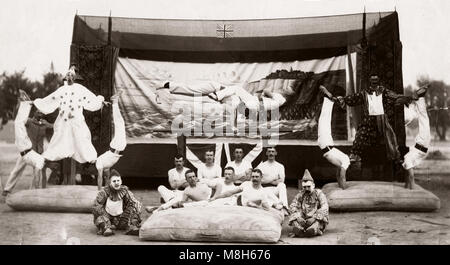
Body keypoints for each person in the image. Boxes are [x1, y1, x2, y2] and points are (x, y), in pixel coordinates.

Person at [332, 75, 420, 164]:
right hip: (368, 120)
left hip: (382, 120)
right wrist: (342, 99)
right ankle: (355, 155)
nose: (374, 82)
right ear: (370, 81)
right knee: (360, 134)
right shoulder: (365, 93)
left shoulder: (384, 92)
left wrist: (409, 98)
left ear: (378, 81)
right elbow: (354, 98)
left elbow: (396, 97)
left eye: (376, 80)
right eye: (372, 80)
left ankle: (396, 158)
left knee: (390, 137)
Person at [30, 65, 109, 164]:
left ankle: (90, 157)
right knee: (59, 138)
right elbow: (51, 99)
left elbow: (90, 98)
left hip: (76, 119)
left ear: (74, 77)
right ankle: (50, 155)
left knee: (82, 138)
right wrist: (36, 102)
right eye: (68, 75)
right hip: (63, 120)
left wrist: (100, 101)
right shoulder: (62, 90)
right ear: (66, 78)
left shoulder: (80, 89)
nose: (70, 77)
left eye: (72, 75)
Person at [3, 90, 53, 196]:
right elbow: (20, 119)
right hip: (27, 148)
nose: (40, 114)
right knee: (19, 123)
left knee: (36, 170)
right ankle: (8, 189)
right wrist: (22, 104)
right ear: (34, 113)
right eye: (38, 112)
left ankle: (32, 191)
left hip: (31, 151)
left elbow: (53, 127)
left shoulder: (44, 124)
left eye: (41, 113)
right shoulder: (30, 121)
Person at [318, 85, 350, 189]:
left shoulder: (344, 162)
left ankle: (328, 98)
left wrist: (342, 187)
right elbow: (340, 174)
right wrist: (343, 187)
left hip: (326, 144)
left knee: (324, 120)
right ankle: (328, 98)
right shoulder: (346, 161)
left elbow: (340, 174)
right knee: (325, 120)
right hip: (327, 144)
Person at [92, 170, 142, 237]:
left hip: (121, 218)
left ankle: (131, 227)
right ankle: (106, 228)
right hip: (107, 218)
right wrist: (106, 218)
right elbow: (97, 205)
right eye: (114, 181)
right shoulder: (104, 192)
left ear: (121, 181)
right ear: (110, 183)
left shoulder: (125, 191)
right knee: (100, 217)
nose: (116, 183)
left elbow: (133, 202)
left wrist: (137, 209)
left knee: (135, 206)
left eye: (118, 181)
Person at [147, 169, 223, 213]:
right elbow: (182, 204)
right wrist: (191, 202)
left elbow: (219, 185)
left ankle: (158, 208)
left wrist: (214, 197)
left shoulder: (203, 181)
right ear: (186, 180)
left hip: (211, 200)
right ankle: (159, 209)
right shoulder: (187, 190)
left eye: (193, 176)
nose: (193, 178)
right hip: (200, 204)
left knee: (176, 198)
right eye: (190, 177)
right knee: (162, 188)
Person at [95, 90, 126, 190]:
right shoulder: (105, 166)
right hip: (118, 147)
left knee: (119, 124)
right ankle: (115, 102)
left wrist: (99, 191)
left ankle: (115, 102)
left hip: (117, 146)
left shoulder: (99, 163)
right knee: (119, 124)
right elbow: (107, 177)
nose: (105, 174)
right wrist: (107, 188)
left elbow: (100, 178)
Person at [210, 168, 283, 210]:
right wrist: (216, 197)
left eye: (257, 177)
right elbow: (230, 192)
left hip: (247, 207)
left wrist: (257, 206)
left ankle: (276, 204)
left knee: (265, 200)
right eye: (253, 176)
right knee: (212, 205)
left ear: (261, 178)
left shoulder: (262, 192)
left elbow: (266, 208)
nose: (254, 179)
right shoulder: (246, 184)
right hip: (234, 202)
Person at [403, 85, 430, 189]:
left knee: (424, 119)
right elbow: (410, 175)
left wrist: (409, 187)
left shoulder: (407, 159)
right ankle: (421, 97)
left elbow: (410, 176)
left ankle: (421, 97)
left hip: (422, 144)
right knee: (424, 119)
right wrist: (410, 187)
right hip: (422, 144)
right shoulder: (407, 159)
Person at [288, 169, 329, 237]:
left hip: (315, 219)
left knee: (321, 218)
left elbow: (325, 207)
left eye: (308, 187)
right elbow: (292, 206)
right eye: (304, 187)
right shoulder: (300, 194)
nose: (306, 189)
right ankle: (300, 230)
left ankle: (313, 229)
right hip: (303, 219)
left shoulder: (319, 194)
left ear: (313, 185)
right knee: (293, 217)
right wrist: (298, 217)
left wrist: (314, 218)